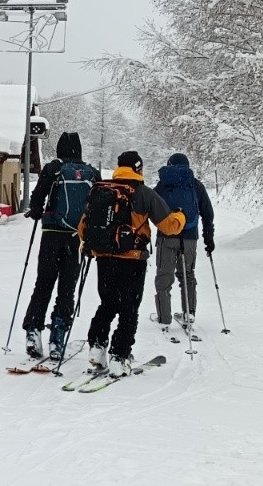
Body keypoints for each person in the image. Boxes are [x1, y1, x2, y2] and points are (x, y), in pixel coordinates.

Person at [79, 151, 185, 377]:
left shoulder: (101, 191)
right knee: (129, 308)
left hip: (104, 258)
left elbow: (83, 227)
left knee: (107, 303)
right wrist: (181, 216)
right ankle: (120, 356)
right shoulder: (143, 194)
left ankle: (97, 348)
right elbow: (169, 227)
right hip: (132, 259)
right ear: (138, 168)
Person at [21, 132, 96, 360]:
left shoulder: (53, 168)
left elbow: (37, 197)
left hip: (52, 234)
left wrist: (36, 212)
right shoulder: (91, 172)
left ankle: (34, 331)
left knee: (43, 283)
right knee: (67, 288)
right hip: (76, 237)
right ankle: (58, 333)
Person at [153, 153, 215, 330]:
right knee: (187, 274)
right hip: (189, 238)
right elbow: (207, 213)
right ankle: (189, 313)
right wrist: (208, 237)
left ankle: (164, 317)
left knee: (164, 275)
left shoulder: (163, 184)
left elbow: (152, 208)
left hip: (166, 237)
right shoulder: (195, 185)